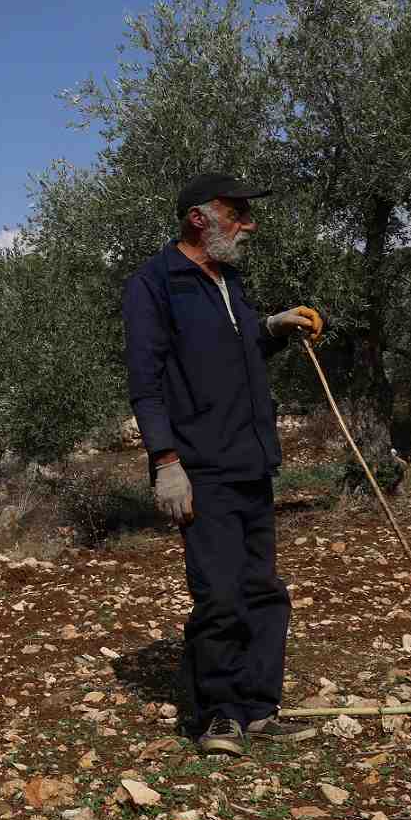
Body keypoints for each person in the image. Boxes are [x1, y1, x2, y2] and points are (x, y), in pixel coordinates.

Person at [122, 173, 324, 757]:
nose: (249, 224)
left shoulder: (229, 279)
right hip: (199, 465)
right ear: (198, 219)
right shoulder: (154, 284)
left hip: (251, 459)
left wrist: (273, 327)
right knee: (219, 594)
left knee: (263, 589)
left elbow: (233, 349)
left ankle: (259, 709)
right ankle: (218, 715)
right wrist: (165, 461)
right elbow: (146, 382)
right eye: (238, 213)